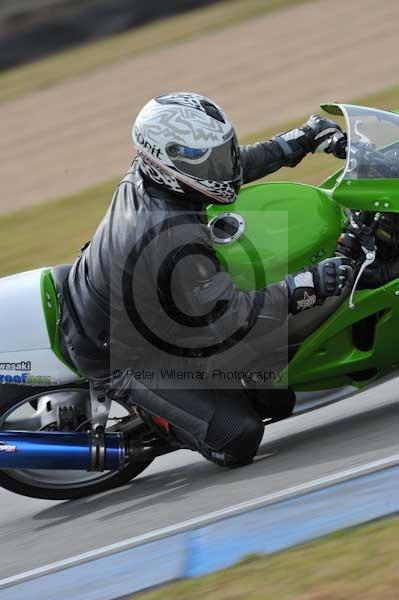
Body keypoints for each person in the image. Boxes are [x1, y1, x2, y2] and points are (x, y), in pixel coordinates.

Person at [60, 92, 350, 467]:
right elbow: (231, 317)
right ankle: (156, 420)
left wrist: (297, 140)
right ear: (167, 159)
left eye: (221, 150)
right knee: (238, 435)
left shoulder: (158, 174)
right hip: (122, 352)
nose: (221, 164)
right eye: (206, 158)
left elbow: (228, 168)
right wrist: (306, 286)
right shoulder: (168, 237)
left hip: (140, 301)